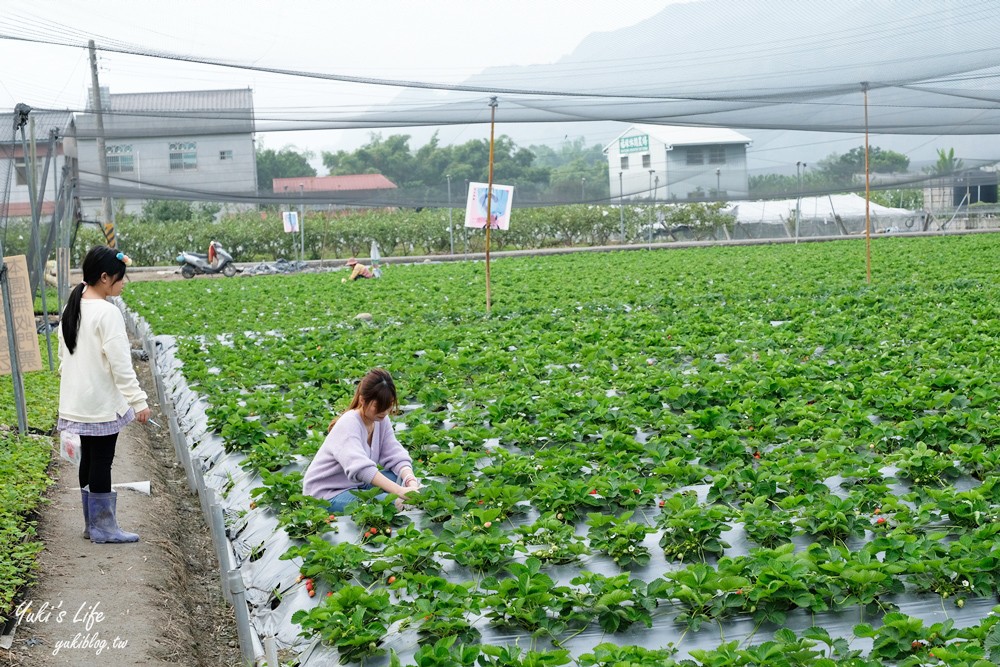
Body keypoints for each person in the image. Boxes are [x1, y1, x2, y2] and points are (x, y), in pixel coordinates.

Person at [58, 245, 151, 544]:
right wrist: (139, 402)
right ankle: (103, 527)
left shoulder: (72, 306)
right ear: (104, 277)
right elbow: (121, 367)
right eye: (120, 278)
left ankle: (92, 525)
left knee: (89, 459)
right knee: (102, 461)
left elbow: (64, 359)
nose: (124, 283)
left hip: (77, 402)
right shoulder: (107, 313)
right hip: (99, 404)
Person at [303, 369, 420, 512]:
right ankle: (400, 501)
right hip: (326, 494)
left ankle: (407, 494)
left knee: (400, 475)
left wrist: (410, 481)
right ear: (362, 400)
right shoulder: (349, 423)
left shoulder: (381, 420)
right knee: (384, 505)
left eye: (388, 405)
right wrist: (399, 491)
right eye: (378, 406)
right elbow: (361, 469)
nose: (384, 411)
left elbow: (395, 455)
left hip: (355, 485)